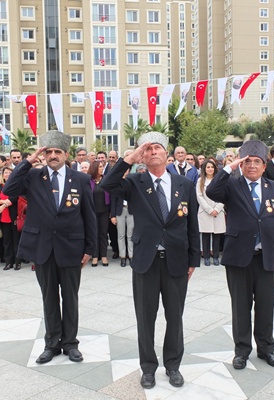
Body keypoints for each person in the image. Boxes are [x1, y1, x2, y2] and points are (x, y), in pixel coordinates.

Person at [101, 132, 200, 389]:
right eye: (148, 149)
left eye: (157, 147)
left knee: (175, 316)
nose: (153, 151)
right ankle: (148, 367)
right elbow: (106, 185)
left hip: (176, 259)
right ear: (142, 156)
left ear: (167, 154)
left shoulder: (184, 184)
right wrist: (129, 159)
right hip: (146, 260)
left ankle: (173, 365)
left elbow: (192, 224)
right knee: (146, 317)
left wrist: (194, 260)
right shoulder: (134, 181)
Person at [3, 130, 97, 365]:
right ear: (43, 154)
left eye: (57, 152)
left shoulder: (81, 179)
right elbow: (9, 189)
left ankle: (70, 344)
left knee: (70, 297)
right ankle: (52, 344)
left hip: (71, 247)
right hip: (43, 247)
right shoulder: (33, 177)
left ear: (66, 154)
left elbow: (89, 216)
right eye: (49, 152)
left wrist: (90, 248)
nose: (53, 156)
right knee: (49, 298)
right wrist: (28, 161)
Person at [206, 140, 274, 371]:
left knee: (266, 305)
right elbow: (211, 191)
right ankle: (241, 351)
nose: (252, 166)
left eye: (257, 162)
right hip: (238, 258)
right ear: (242, 165)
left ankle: (266, 349)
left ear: (265, 166)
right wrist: (230, 167)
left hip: (268, 257)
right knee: (240, 306)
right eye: (248, 162)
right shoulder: (232, 186)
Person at [196, 160, 225, 266]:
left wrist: (217, 209)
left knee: (217, 236)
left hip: (218, 211)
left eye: (212, 167)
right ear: (204, 169)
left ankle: (216, 257)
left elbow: (224, 195)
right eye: (207, 167)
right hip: (205, 211)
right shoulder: (200, 181)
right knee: (206, 235)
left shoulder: (219, 180)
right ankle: (207, 257)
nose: (210, 169)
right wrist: (209, 209)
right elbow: (199, 196)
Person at [0, 166, 22, 270]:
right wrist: (1, 202)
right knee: (6, 240)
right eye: (6, 173)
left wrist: (3, 205)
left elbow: (14, 198)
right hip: (3, 217)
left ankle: (17, 261)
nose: (8, 174)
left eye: (10, 173)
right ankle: (8, 262)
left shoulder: (16, 185)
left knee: (16, 240)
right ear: (2, 174)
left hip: (14, 216)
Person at [110, 169, 134, 267]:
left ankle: (131, 256)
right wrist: (113, 215)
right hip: (120, 210)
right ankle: (123, 256)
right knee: (120, 235)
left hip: (131, 211)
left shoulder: (132, 182)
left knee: (130, 235)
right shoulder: (116, 183)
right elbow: (113, 200)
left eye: (126, 170)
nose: (125, 172)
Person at [88, 160, 110, 267]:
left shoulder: (106, 179)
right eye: (100, 167)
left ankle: (104, 256)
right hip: (92, 211)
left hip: (105, 210)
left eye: (102, 166)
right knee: (94, 234)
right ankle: (95, 256)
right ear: (95, 168)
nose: (102, 168)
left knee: (103, 234)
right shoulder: (88, 180)